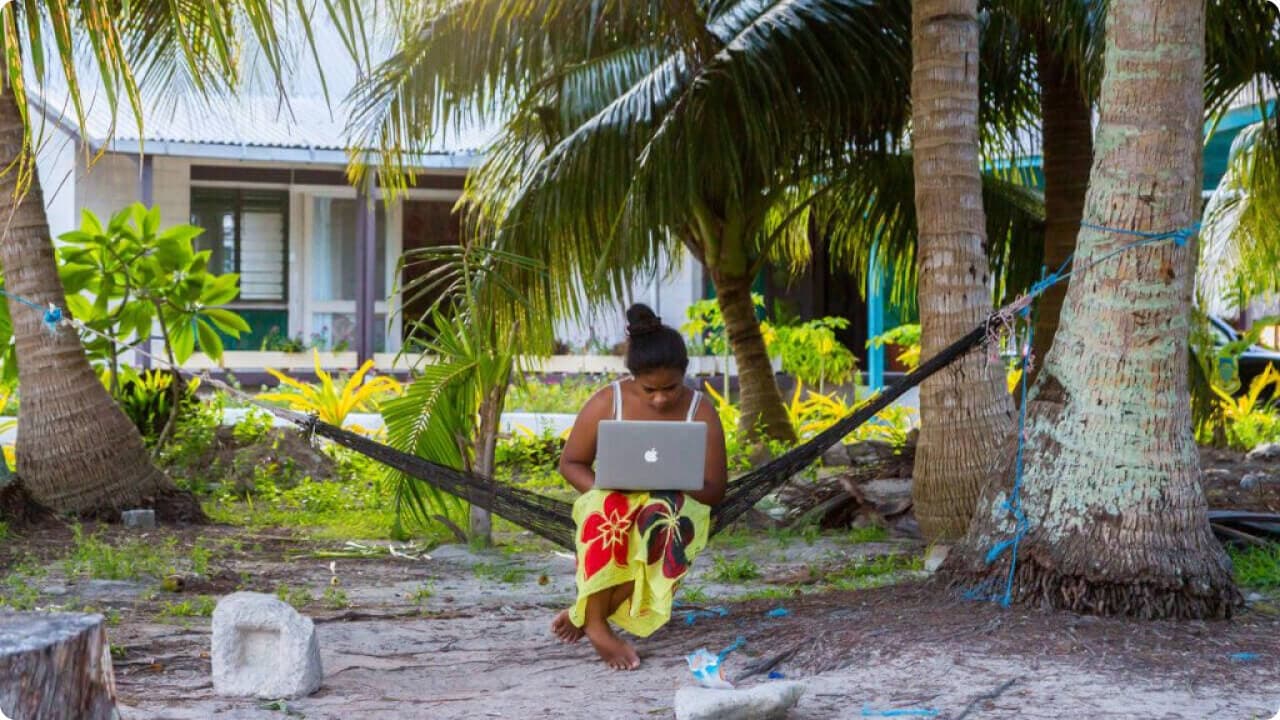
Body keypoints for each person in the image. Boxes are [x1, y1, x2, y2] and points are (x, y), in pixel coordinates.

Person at [550, 303, 728, 670]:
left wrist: (671, 482)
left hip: (679, 503)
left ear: (685, 375)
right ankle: (598, 625)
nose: (660, 399)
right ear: (633, 378)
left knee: (660, 518)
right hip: (611, 498)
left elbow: (715, 492)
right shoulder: (607, 401)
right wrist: (607, 489)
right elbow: (570, 463)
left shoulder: (700, 410)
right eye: (649, 390)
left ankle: (587, 613)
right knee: (610, 512)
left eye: (671, 388)